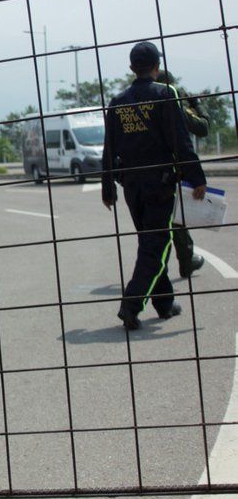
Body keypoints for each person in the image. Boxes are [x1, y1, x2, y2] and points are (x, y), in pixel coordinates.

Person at [101, 41, 207, 331]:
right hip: (159, 182)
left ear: (131, 68)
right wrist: (196, 177)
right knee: (155, 245)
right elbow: (181, 141)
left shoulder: (117, 102)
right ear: (157, 67)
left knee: (149, 243)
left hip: (131, 184)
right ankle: (131, 304)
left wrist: (107, 188)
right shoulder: (165, 94)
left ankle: (163, 303)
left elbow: (109, 148)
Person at [158, 70, 208, 278]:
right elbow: (202, 127)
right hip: (172, 170)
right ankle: (183, 261)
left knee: (168, 218)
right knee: (174, 217)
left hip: (148, 173)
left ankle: (183, 260)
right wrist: (196, 103)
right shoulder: (171, 102)